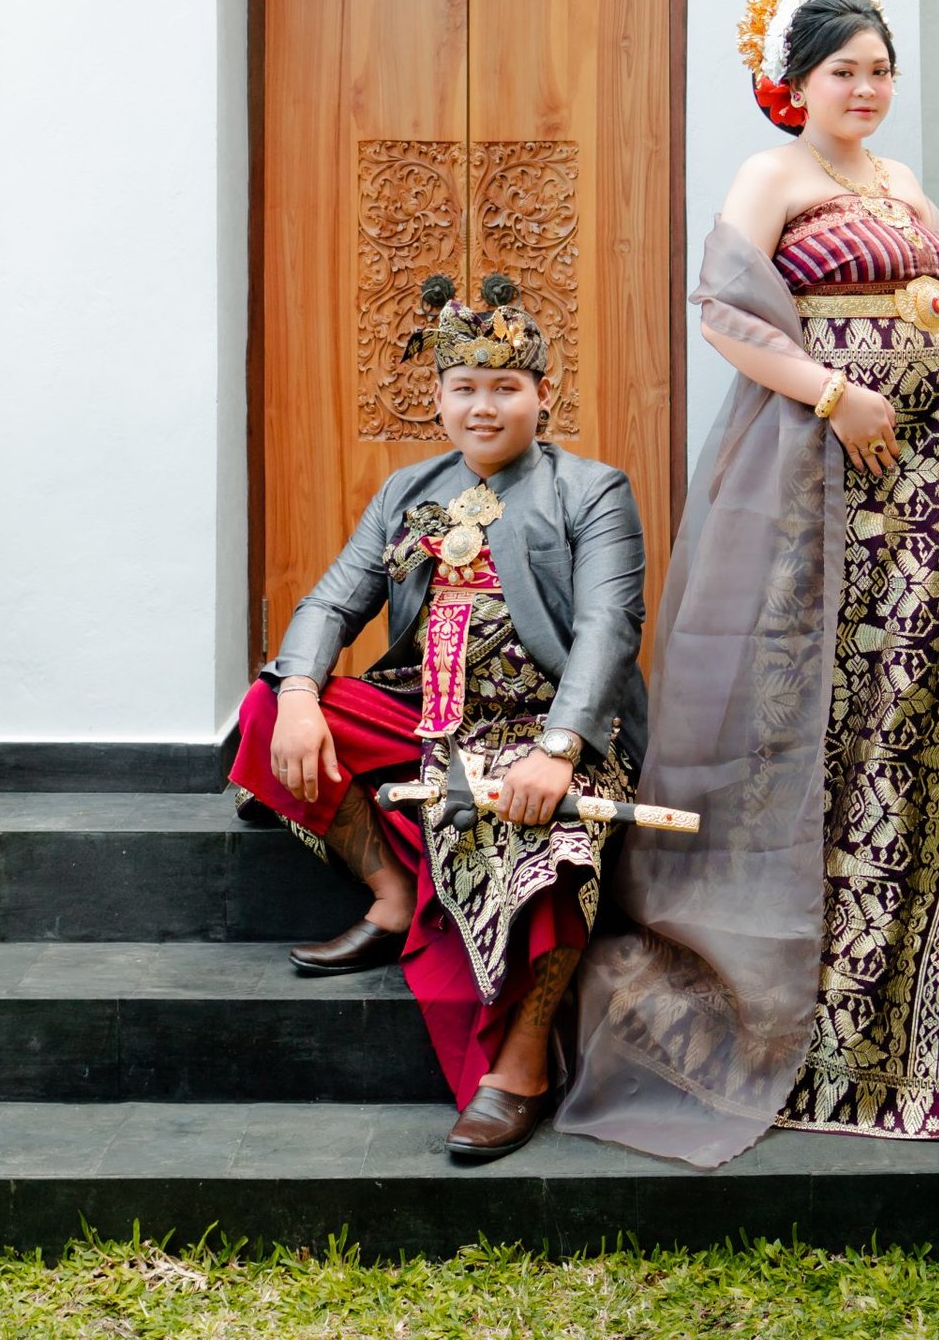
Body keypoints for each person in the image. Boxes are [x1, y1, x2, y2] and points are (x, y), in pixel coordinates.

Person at [559, 0, 939, 1165]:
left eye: (881, 69)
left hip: (922, 493)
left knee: (910, 703)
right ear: (796, 83)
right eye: (844, 71)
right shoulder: (771, 175)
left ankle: (909, 971)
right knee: (811, 703)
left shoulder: (900, 181)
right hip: (816, 481)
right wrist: (833, 394)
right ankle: (802, 991)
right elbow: (723, 312)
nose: (867, 89)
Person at [231, 274, 647, 1165]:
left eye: (505, 387)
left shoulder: (593, 490)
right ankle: (391, 895)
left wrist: (558, 750)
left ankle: (520, 1065)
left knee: (552, 846)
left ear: (543, 394)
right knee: (267, 704)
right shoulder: (406, 489)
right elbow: (330, 603)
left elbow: (609, 629)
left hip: (548, 725)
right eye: (465, 388)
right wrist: (299, 695)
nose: (483, 407)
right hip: (427, 717)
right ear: (439, 399)